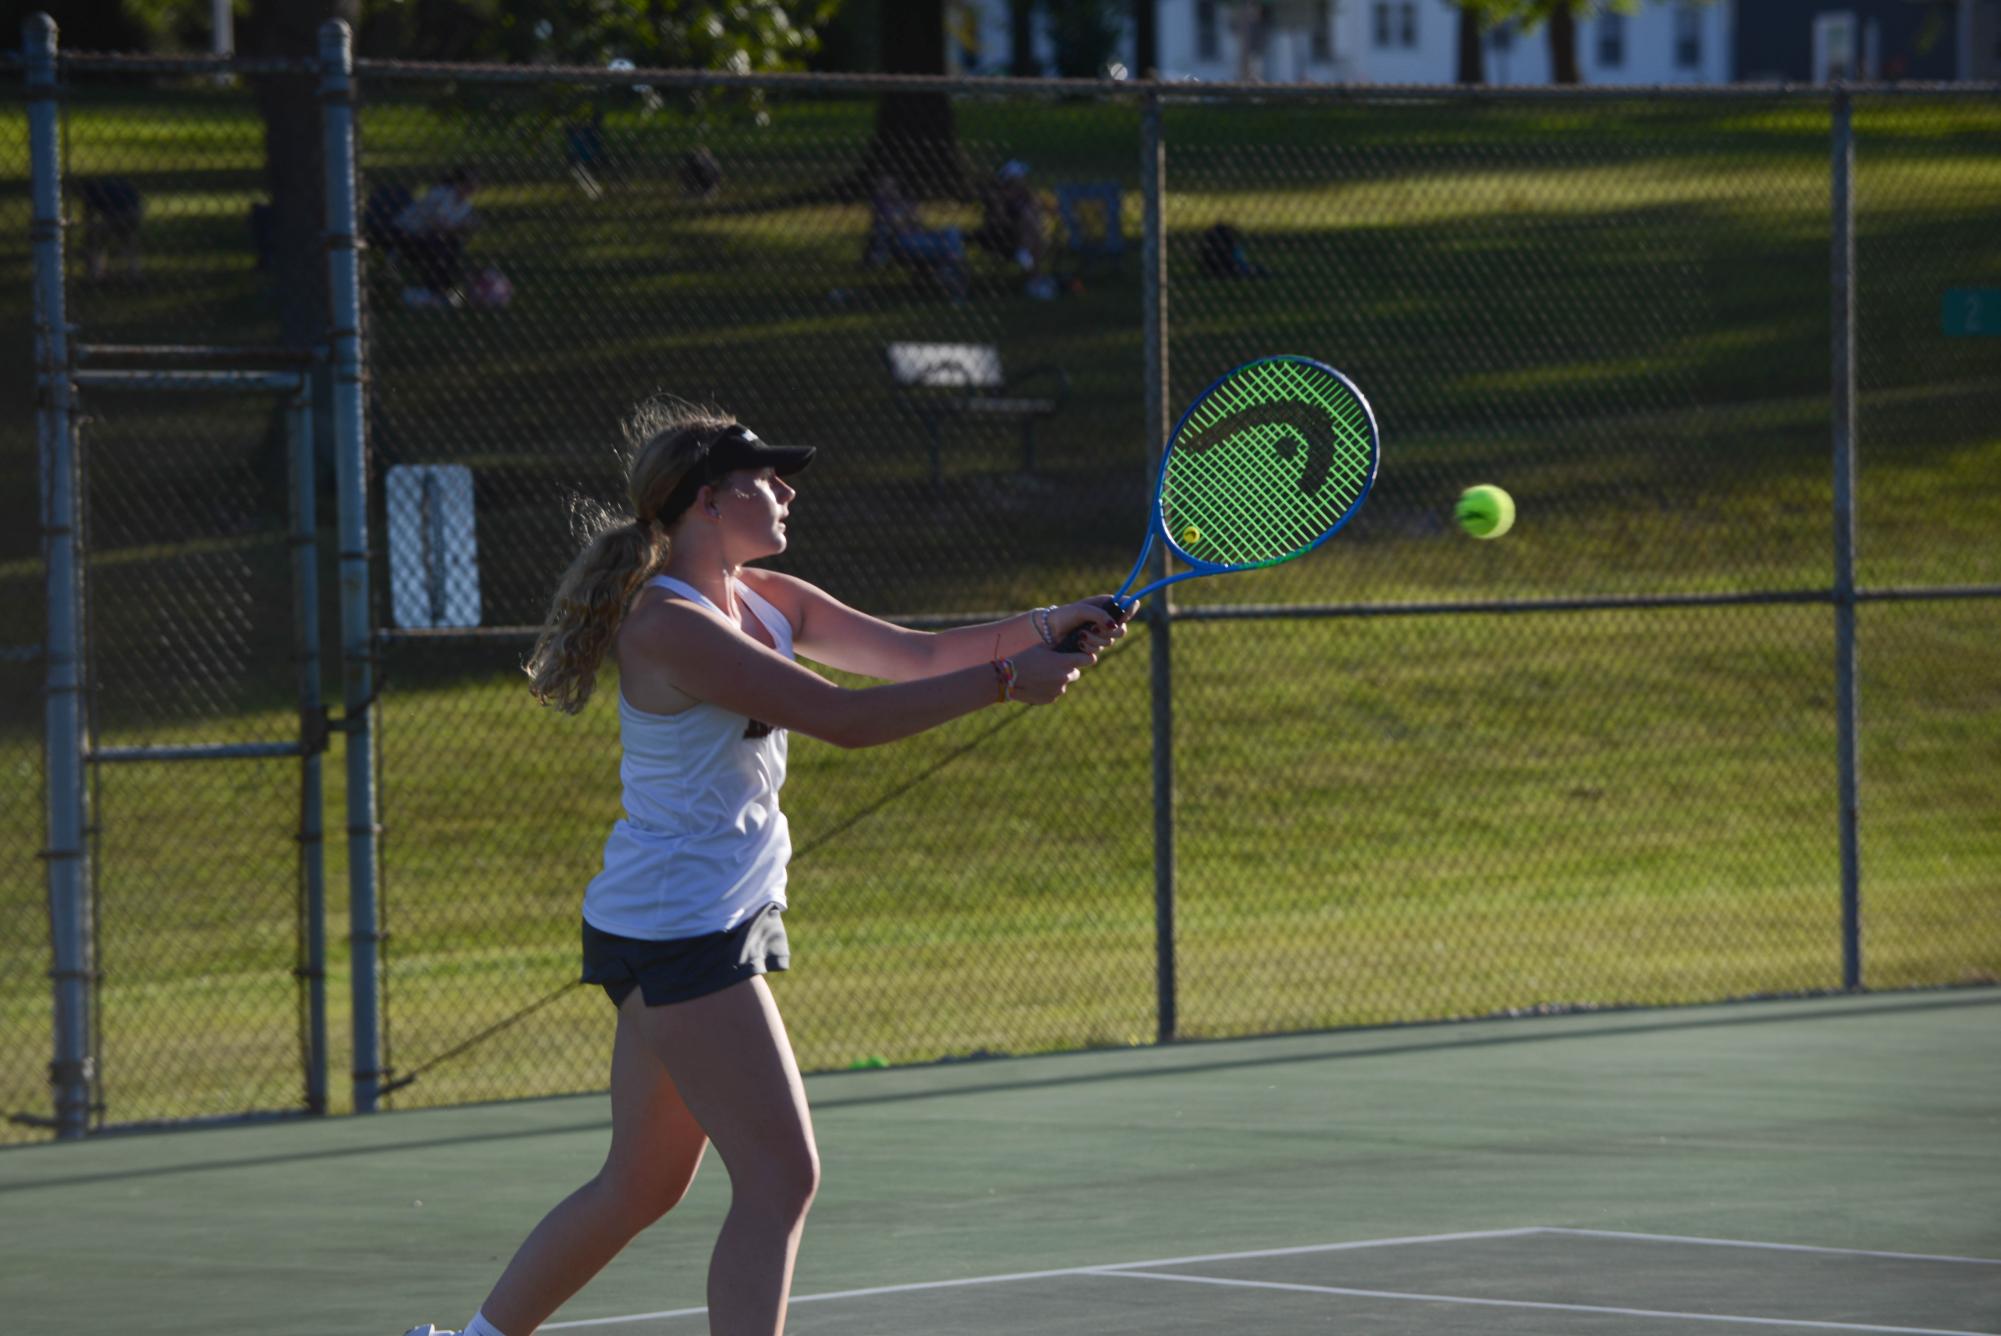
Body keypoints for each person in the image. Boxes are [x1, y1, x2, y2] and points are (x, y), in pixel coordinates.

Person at [402, 404, 1122, 1336]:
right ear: (709, 501)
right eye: (765, 479)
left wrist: (1040, 626)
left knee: (640, 1185)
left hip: (686, 919)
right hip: (682, 928)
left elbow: (916, 657)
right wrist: (1004, 681)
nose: (786, 491)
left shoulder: (769, 599)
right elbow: (847, 719)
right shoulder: (669, 624)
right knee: (781, 1177)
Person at [861, 171, 970, 299]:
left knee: (953, 230)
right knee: (948, 250)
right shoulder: (880, 202)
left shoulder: (905, 200)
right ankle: (954, 264)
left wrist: (905, 218)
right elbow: (895, 223)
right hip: (902, 242)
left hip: (920, 237)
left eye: (891, 184)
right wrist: (907, 218)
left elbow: (916, 222)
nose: (888, 187)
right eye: (884, 184)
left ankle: (953, 258)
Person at [395, 166, 480, 308]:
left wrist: (463, 228)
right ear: (458, 183)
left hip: (430, 237)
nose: (473, 188)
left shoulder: (464, 204)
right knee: (441, 244)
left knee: (452, 244)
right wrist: (464, 227)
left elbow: (457, 228)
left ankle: (445, 291)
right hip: (405, 234)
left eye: (475, 184)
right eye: (469, 183)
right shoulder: (442, 194)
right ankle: (434, 291)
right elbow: (439, 225)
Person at [974, 160, 1054, 300]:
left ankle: (1033, 275)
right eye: (1020, 177)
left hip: (1027, 234)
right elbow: (998, 220)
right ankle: (1035, 280)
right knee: (1028, 221)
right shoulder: (998, 195)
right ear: (1012, 179)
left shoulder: (1026, 196)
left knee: (1030, 221)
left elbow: (1041, 210)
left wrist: (1033, 202)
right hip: (1002, 236)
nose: (1024, 180)